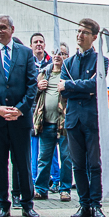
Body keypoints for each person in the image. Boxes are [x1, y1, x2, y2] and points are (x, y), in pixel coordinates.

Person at [0, 14, 39, 217]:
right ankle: (3, 204)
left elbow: (32, 85)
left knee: (23, 163)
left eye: (3, 27)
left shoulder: (26, 53)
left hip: (20, 120)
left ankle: (28, 204)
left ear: (12, 29)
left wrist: (20, 109)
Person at [58, 19, 106, 217]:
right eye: (78, 31)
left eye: (85, 32)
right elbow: (63, 90)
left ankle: (96, 204)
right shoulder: (68, 63)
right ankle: (83, 204)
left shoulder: (100, 60)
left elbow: (95, 86)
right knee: (77, 164)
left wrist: (70, 85)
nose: (80, 35)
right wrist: (76, 87)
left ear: (94, 36)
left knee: (94, 164)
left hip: (92, 119)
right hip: (73, 120)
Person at [32, 48, 72, 201]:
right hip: (46, 123)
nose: (58, 56)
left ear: (66, 56)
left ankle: (65, 189)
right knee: (44, 158)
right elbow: (33, 97)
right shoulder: (44, 74)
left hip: (63, 124)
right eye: (55, 53)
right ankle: (41, 189)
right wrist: (38, 87)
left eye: (61, 53)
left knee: (66, 158)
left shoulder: (68, 74)